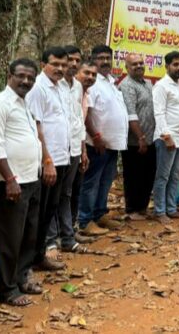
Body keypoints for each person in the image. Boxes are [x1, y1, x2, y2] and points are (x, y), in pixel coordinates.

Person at [0, 58, 43, 306]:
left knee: (27, 236)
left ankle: (20, 279)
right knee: (9, 239)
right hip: (11, 182)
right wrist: (10, 179)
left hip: (31, 179)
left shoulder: (24, 103)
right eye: (21, 76)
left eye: (30, 78)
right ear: (9, 75)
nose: (26, 81)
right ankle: (6, 289)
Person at [26, 47, 71, 271]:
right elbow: (37, 126)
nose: (60, 68)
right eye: (55, 64)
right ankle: (29, 260)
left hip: (61, 158)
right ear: (43, 64)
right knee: (39, 212)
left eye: (63, 65)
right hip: (48, 161)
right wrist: (47, 161)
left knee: (50, 209)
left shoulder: (60, 87)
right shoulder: (38, 88)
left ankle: (39, 255)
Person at [79, 45, 128, 233]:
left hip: (113, 144)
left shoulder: (110, 81)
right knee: (92, 182)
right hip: (96, 144)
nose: (105, 61)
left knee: (105, 181)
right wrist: (96, 136)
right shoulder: (92, 83)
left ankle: (99, 214)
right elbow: (87, 114)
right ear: (93, 59)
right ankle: (85, 221)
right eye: (101, 58)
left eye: (108, 58)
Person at [47, 45, 88, 253]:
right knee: (53, 196)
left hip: (74, 148)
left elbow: (78, 119)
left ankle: (67, 236)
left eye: (76, 60)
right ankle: (51, 239)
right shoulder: (54, 85)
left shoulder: (78, 86)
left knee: (67, 193)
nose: (72, 64)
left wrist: (83, 149)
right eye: (69, 60)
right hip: (56, 150)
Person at [152, 51, 179, 224]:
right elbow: (158, 112)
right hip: (167, 138)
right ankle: (159, 211)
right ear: (167, 66)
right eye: (175, 64)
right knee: (163, 176)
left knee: (175, 175)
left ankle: (171, 208)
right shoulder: (161, 86)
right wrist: (166, 136)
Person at [119, 53, 156, 220]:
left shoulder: (147, 84)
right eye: (134, 64)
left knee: (147, 174)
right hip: (135, 141)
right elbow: (131, 114)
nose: (139, 66)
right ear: (127, 68)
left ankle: (142, 207)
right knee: (133, 175)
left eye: (141, 63)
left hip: (150, 139)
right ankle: (132, 210)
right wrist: (140, 137)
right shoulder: (127, 85)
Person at [71, 60, 98, 234]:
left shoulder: (85, 94)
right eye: (86, 73)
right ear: (77, 73)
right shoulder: (71, 93)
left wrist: (83, 151)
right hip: (64, 152)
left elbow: (79, 124)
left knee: (75, 191)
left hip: (78, 148)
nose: (90, 77)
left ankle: (72, 230)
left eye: (93, 74)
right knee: (65, 194)